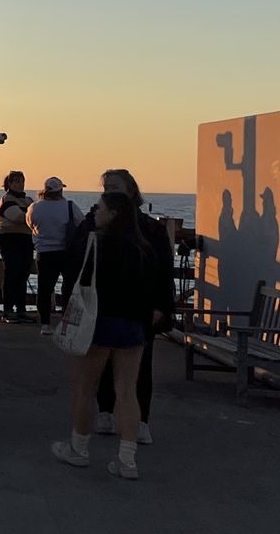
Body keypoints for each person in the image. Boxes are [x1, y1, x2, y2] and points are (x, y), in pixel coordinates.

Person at [51, 191, 161, 479]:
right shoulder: (144, 248)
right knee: (127, 391)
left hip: (98, 323)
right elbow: (154, 287)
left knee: (85, 387)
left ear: (112, 213)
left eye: (99, 208)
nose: (95, 212)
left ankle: (79, 448)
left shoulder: (95, 243)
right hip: (133, 325)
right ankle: (127, 460)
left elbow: (76, 277)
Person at [80, 168, 175, 444]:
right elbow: (79, 262)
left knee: (139, 368)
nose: (110, 191)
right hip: (103, 307)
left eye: (116, 187)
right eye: (106, 187)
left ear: (131, 191)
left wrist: (162, 306)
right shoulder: (94, 224)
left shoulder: (150, 228)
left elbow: (164, 270)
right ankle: (106, 412)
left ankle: (141, 421)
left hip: (139, 309)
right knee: (101, 366)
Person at [26, 177, 82, 336]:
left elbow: (30, 223)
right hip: (67, 252)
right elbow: (81, 224)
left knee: (44, 288)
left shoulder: (34, 207)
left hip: (44, 253)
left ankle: (45, 323)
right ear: (60, 190)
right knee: (69, 287)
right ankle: (67, 320)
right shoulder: (69, 206)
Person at [0, 171, 36, 324]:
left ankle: (21, 310)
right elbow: (18, 217)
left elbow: (30, 216)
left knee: (23, 274)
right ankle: (8, 310)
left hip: (26, 240)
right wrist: (30, 215)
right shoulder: (7, 199)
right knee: (12, 273)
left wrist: (29, 215)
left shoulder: (28, 199)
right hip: (9, 240)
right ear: (9, 184)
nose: (20, 184)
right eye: (16, 181)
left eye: (22, 181)